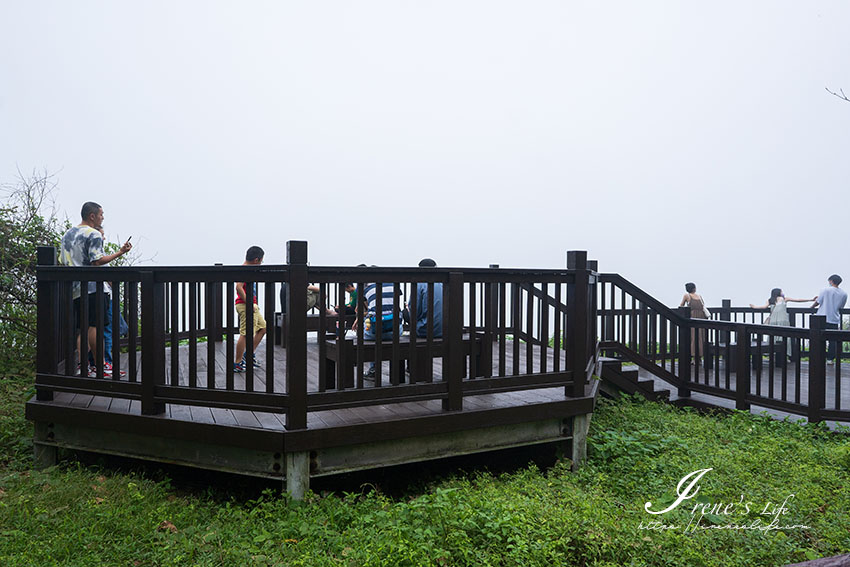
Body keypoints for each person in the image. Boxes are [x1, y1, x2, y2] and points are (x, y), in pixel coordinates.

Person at [59, 201, 132, 377]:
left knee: (83, 328)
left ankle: (83, 366)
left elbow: (63, 261)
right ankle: (101, 367)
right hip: (93, 287)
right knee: (95, 326)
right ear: (92, 216)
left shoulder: (68, 235)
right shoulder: (93, 234)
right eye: (101, 214)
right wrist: (120, 252)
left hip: (76, 288)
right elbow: (97, 261)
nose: (102, 217)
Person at [351, 269, 403, 378]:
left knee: (369, 330)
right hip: (395, 332)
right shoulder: (394, 285)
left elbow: (364, 309)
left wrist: (358, 319)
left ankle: (373, 369)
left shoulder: (367, 289)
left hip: (374, 334)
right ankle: (398, 370)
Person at [749, 288, 815, 357]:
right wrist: (810, 299)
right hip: (783, 320)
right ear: (779, 292)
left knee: (773, 337)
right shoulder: (784, 299)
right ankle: (784, 355)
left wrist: (754, 307)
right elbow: (798, 300)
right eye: (781, 291)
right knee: (784, 337)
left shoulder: (770, 300)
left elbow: (763, 307)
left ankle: (773, 354)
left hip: (773, 321)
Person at [234, 246, 267, 373]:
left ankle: (248, 356)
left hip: (252, 305)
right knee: (245, 333)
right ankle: (237, 363)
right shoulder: (244, 270)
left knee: (262, 328)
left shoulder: (248, 269)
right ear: (256, 260)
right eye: (261, 261)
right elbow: (238, 287)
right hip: (245, 305)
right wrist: (249, 303)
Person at [812, 275, 848, 364]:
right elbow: (841, 307)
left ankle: (818, 357)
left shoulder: (825, 290)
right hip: (834, 318)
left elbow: (818, 302)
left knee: (819, 337)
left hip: (821, 317)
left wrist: (811, 307)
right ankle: (830, 359)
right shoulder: (844, 294)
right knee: (832, 340)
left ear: (831, 281)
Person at [412, 258, 443, 338]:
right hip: (447, 330)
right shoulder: (444, 284)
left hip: (425, 331)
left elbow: (414, 312)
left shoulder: (419, 284)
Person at [679, 282, 707, 363]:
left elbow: (681, 306)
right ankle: (700, 358)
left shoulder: (687, 296)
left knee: (693, 338)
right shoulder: (699, 296)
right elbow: (703, 306)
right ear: (694, 288)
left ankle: (694, 357)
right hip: (701, 318)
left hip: (692, 317)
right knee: (701, 337)